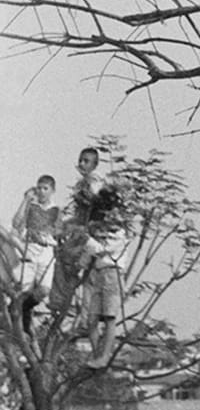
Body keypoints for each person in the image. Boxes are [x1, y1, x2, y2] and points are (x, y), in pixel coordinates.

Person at [49, 147, 104, 315]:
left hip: (91, 230)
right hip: (81, 226)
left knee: (66, 257)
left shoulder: (95, 181)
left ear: (95, 164)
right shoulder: (82, 183)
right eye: (80, 160)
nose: (81, 164)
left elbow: (93, 206)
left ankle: (61, 301)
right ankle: (62, 299)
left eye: (86, 161)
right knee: (60, 253)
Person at [81, 184, 129, 370]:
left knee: (109, 318)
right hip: (99, 275)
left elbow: (101, 251)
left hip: (112, 274)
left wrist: (87, 239)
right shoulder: (99, 232)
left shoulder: (119, 234)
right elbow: (90, 254)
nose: (110, 217)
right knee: (91, 319)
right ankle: (97, 355)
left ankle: (105, 356)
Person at [11, 175, 61, 331]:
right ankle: (22, 329)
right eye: (39, 188)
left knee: (44, 290)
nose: (41, 192)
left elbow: (59, 231)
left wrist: (47, 236)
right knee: (22, 290)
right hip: (30, 251)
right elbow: (16, 224)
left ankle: (16, 310)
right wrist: (25, 200)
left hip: (46, 252)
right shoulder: (31, 206)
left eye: (45, 188)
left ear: (52, 190)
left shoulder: (56, 210)